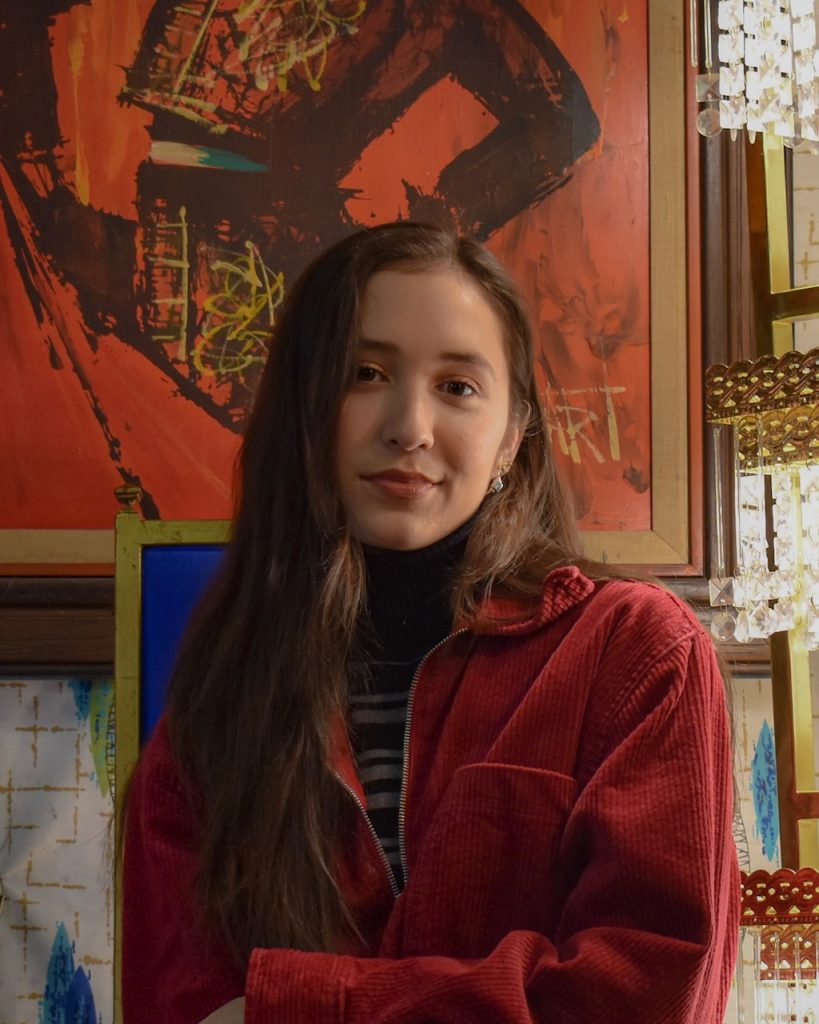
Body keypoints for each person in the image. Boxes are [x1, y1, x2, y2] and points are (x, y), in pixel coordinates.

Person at [121, 221, 739, 1024]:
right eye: (365, 373)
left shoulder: (636, 654)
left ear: (513, 435)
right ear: (304, 410)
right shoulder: (214, 713)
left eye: (457, 386)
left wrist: (300, 1008)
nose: (408, 426)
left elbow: (648, 996)